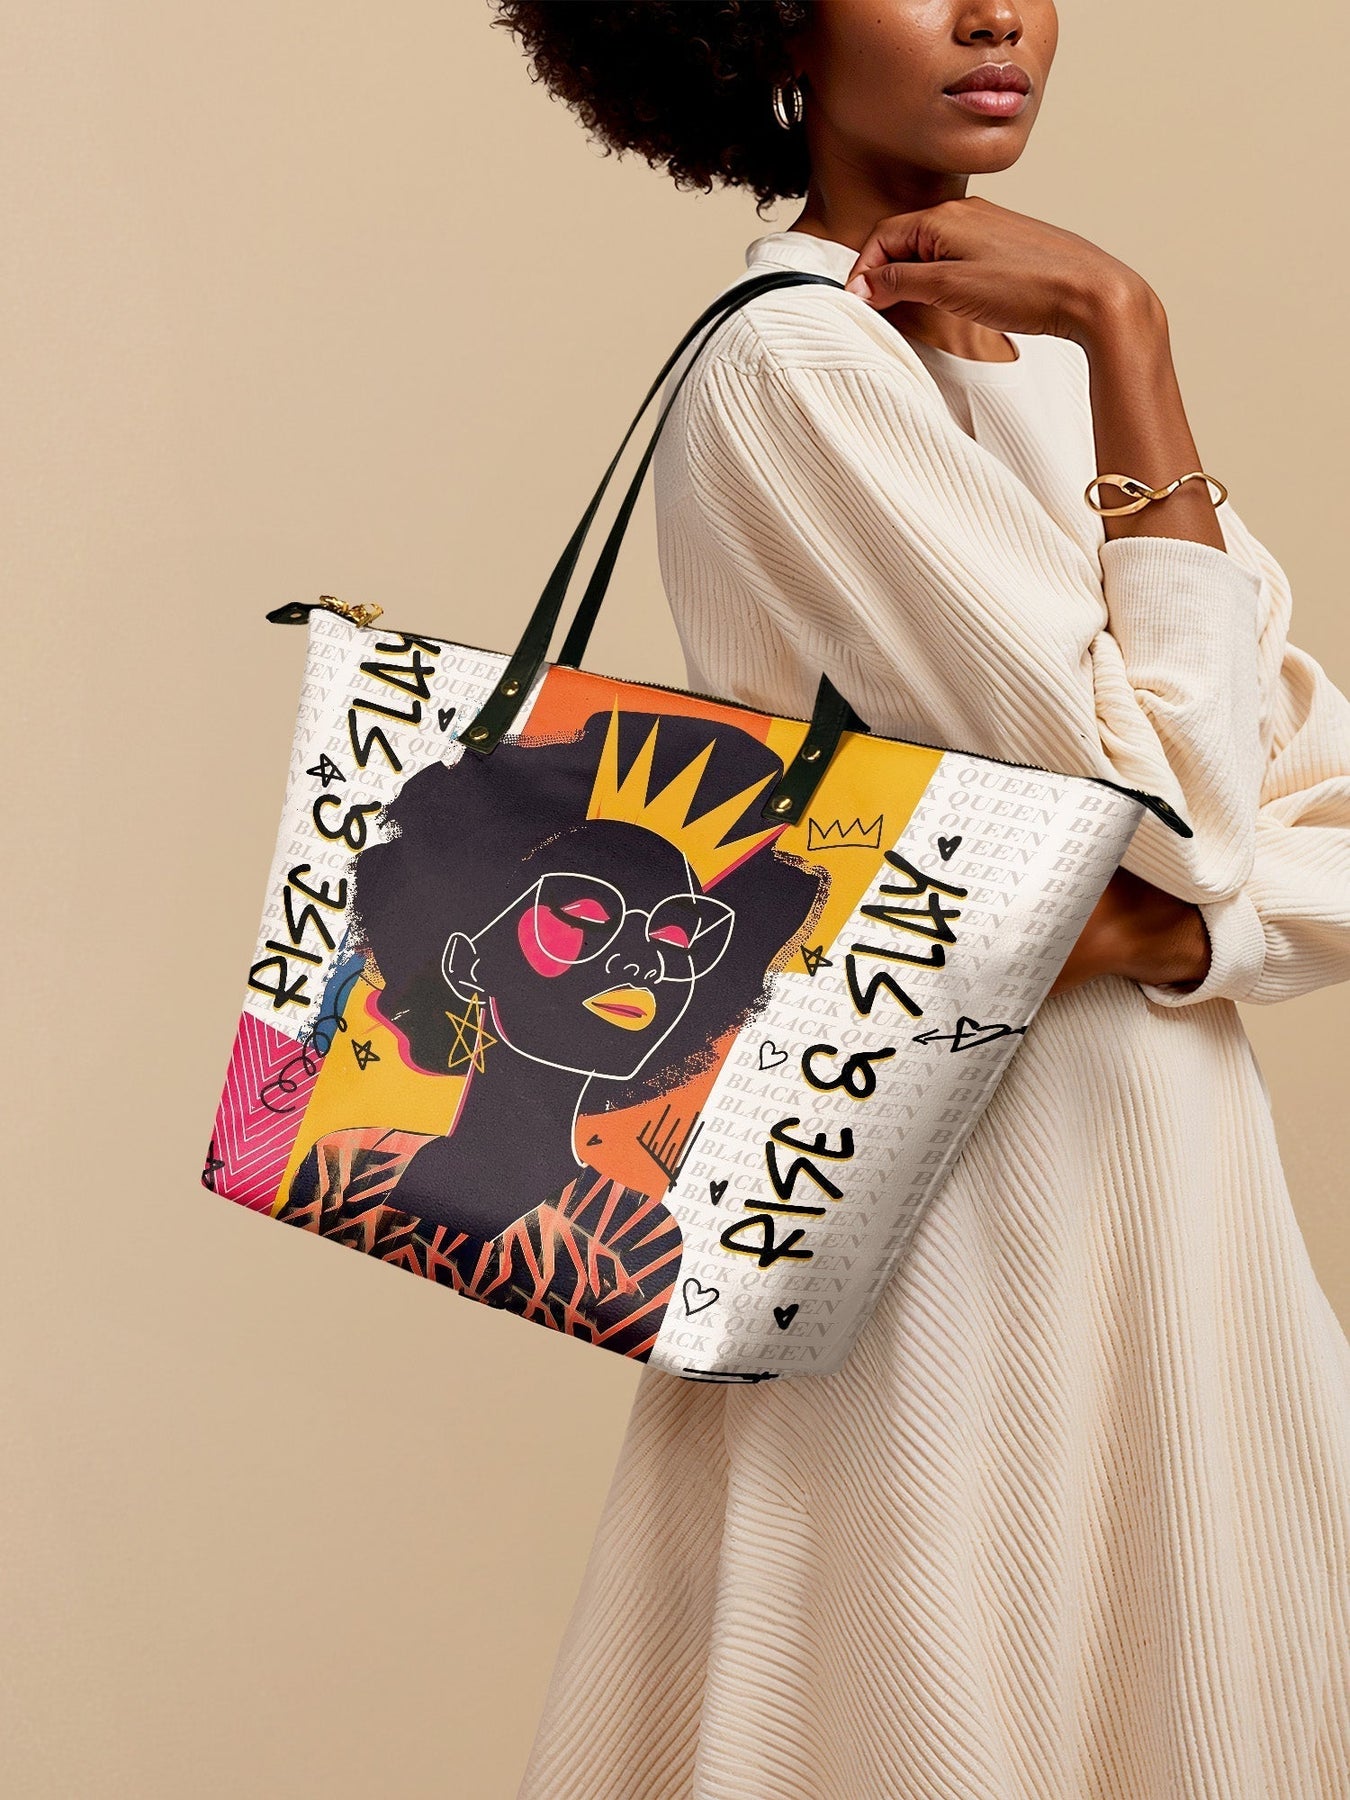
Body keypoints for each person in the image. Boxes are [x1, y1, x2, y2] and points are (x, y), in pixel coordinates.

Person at [493, 5, 1350, 1795]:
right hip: (933, 1198)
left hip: (1172, 1182)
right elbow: (1192, 805)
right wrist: (1136, 332)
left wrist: (1183, 934)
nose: (994, 14)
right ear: (764, 22)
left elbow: (1289, 818)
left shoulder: (1047, 365)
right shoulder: (794, 368)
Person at [274, 706, 824, 1359]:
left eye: (676, 937)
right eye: (584, 917)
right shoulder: (343, 1162)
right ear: (468, 960)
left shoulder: (639, 1242)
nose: (644, 962)